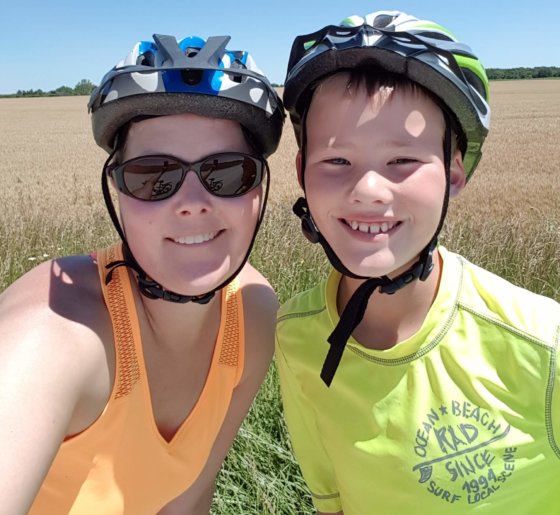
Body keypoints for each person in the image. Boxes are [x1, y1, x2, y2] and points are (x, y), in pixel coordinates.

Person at [275, 10, 560, 515]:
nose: (367, 190)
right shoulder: (294, 335)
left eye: (402, 161)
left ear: (454, 172)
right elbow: (332, 502)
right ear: (301, 173)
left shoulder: (543, 346)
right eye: (336, 161)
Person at [0, 32, 284, 514]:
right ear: (117, 193)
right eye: (154, 176)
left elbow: (189, 498)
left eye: (228, 172)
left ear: (257, 190)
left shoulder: (253, 314)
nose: (193, 204)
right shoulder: (53, 333)